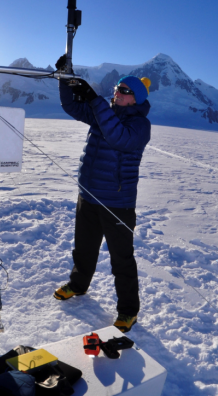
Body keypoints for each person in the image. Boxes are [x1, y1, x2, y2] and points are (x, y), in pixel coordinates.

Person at [52, 55, 152, 333]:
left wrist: (95, 101)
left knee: (122, 258)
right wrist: (65, 78)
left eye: (124, 91)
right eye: (117, 88)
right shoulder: (103, 112)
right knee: (84, 248)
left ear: (136, 99)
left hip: (117, 203)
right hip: (89, 195)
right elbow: (71, 105)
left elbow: (118, 137)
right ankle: (78, 284)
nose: (117, 93)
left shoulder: (140, 126)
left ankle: (128, 311)